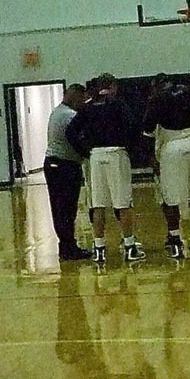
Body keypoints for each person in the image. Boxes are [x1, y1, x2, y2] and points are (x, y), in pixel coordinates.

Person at [65, 73, 145, 264]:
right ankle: (129, 246)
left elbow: (71, 131)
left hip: (96, 156)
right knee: (123, 203)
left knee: (98, 204)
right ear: (113, 86)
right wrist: (131, 146)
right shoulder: (117, 104)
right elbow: (134, 125)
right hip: (116, 154)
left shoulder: (88, 106)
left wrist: (85, 150)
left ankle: (99, 248)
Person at [143, 76, 190, 258]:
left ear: (157, 86)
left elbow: (147, 128)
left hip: (171, 147)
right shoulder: (189, 91)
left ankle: (175, 241)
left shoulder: (157, 98)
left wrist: (151, 157)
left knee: (171, 198)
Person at [42, 83, 91, 261]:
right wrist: (87, 153)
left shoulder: (57, 111)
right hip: (64, 165)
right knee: (66, 208)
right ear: (76, 95)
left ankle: (66, 245)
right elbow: (77, 137)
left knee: (60, 208)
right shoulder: (69, 115)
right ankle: (68, 246)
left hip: (54, 164)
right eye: (82, 98)